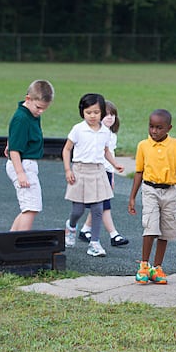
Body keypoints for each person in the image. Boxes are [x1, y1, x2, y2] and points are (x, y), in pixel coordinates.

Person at [128, 109, 176, 285]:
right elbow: (139, 172)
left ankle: (157, 267)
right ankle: (144, 265)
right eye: (151, 127)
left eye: (159, 128)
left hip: (170, 191)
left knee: (166, 230)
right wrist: (132, 197)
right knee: (150, 226)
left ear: (168, 128)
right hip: (150, 190)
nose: (154, 131)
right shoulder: (143, 146)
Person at [62, 93, 124, 257]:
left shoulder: (105, 132)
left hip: (98, 171)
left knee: (98, 209)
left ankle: (94, 243)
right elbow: (67, 149)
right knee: (78, 210)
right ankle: (71, 226)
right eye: (88, 112)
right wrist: (68, 170)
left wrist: (114, 164)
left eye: (96, 112)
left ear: (102, 112)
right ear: (82, 112)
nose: (92, 116)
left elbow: (105, 151)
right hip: (80, 171)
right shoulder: (78, 129)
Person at [5, 79, 54, 231]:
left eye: (44, 109)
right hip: (22, 164)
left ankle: (11, 241)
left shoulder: (32, 114)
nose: (40, 111)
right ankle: (19, 244)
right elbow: (14, 150)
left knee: (29, 207)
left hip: (28, 163)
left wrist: (9, 142)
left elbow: (16, 136)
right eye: (38, 107)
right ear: (28, 99)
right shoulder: (22, 117)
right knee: (31, 207)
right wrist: (20, 173)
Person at [78, 100, 129, 247]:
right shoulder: (95, 134)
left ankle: (85, 229)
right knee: (103, 205)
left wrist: (112, 175)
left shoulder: (111, 135)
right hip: (96, 173)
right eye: (106, 114)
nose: (110, 117)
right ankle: (114, 234)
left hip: (106, 172)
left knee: (99, 204)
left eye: (113, 114)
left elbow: (109, 155)